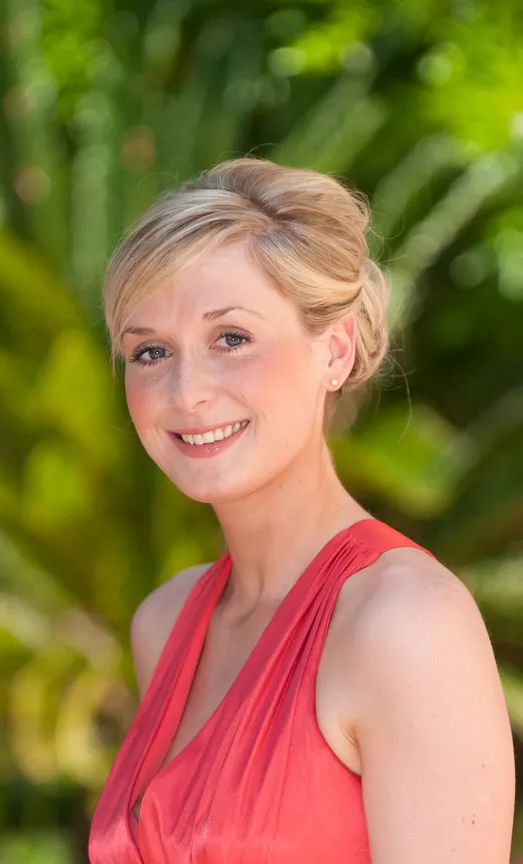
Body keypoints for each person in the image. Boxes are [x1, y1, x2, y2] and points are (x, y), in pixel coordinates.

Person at [88, 157, 515, 863]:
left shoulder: (406, 623)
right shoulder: (164, 623)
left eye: (232, 339)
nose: (186, 392)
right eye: (151, 352)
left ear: (335, 351)